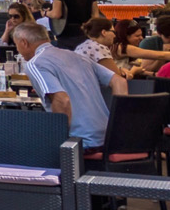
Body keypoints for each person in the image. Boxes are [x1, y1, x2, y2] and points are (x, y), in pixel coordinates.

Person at [12, 19, 122, 150]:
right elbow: (119, 81)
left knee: (20, 144)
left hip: (81, 143)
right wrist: (117, 125)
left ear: (24, 43)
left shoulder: (35, 63)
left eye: (16, 45)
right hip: (108, 137)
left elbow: (62, 100)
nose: (18, 50)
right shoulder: (77, 56)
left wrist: (61, 139)